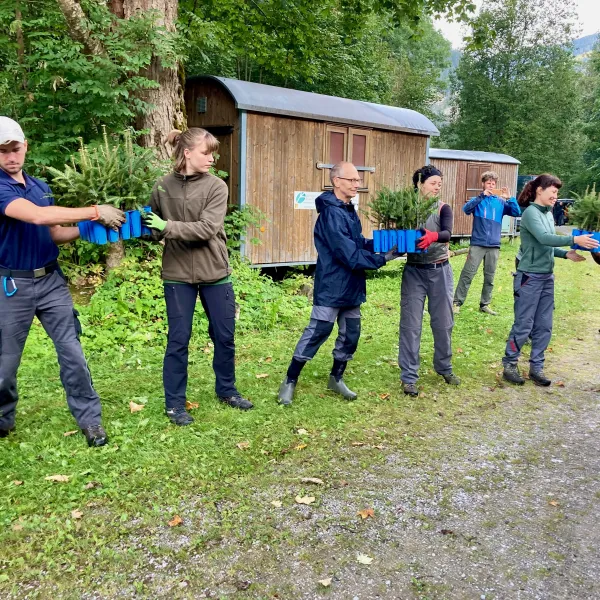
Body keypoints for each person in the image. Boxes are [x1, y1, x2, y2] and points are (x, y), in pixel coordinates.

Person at [0, 116, 125, 446]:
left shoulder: (41, 187)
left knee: (72, 353)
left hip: (50, 281)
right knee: (5, 364)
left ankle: (90, 420)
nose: (11, 157)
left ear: (25, 146)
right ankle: (3, 417)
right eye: (2, 152)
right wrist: (95, 211)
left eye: (15, 149)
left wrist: (90, 230)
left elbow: (54, 232)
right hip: (11, 285)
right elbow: (37, 216)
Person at [142, 128, 252, 426]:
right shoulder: (162, 186)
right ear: (187, 153)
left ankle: (227, 390)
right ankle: (175, 404)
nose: (212, 159)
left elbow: (206, 229)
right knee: (178, 339)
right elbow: (152, 226)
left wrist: (166, 227)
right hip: (177, 274)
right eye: (206, 153)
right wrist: (136, 226)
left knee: (224, 336)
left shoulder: (216, 186)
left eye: (213, 153)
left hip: (215, 272)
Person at [277, 162, 400, 406]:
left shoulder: (347, 208)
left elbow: (356, 242)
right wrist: (382, 259)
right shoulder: (331, 213)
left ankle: (336, 378)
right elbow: (347, 254)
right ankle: (290, 380)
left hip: (352, 286)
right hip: (332, 284)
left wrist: (388, 241)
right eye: (352, 180)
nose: (357, 184)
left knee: (351, 334)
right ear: (336, 181)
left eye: (357, 180)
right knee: (318, 331)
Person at [502, 174, 598, 386]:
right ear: (540, 190)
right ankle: (509, 364)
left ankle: (537, 368)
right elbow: (544, 238)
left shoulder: (547, 214)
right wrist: (574, 239)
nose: (556, 196)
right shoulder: (530, 214)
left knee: (544, 325)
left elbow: (545, 245)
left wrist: (566, 254)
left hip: (547, 277)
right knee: (524, 324)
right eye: (553, 191)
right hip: (529, 277)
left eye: (557, 192)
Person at [399, 165, 460, 397]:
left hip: (440, 271)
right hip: (414, 272)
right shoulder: (406, 208)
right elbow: (395, 231)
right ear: (419, 184)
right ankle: (409, 377)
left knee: (443, 323)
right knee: (410, 325)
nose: (437, 187)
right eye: (433, 183)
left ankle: (444, 367)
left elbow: (447, 233)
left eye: (439, 184)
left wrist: (434, 236)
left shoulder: (443, 208)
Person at [453, 171, 521, 315]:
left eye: (493, 183)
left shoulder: (501, 202)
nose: (491, 185)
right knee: (468, 274)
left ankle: (484, 304)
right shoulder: (478, 200)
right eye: (488, 183)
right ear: (483, 184)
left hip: (494, 245)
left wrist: (510, 199)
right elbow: (466, 209)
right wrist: (482, 195)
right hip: (477, 244)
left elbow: (516, 212)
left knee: (489, 277)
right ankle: (456, 303)